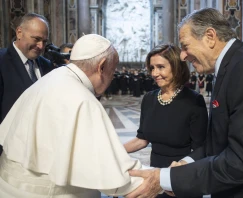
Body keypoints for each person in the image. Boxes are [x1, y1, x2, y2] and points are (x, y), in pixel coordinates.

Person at [126, 8, 243, 198]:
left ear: (210, 36)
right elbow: (217, 140)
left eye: (185, 45)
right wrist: (186, 163)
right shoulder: (230, 67)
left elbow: (241, 160)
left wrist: (166, 179)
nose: (182, 56)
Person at [0, 34, 145, 197]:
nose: (113, 76)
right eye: (113, 70)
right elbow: (115, 177)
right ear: (102, 67)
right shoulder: (82, 99)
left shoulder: (49, 79)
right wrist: (160, 180)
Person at [124, 43, 208, 198]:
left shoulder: (194, 101)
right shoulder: (149, 98)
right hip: (154, 175)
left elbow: (201, 148)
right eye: (152, 68)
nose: (155, 73)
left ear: (176, 67)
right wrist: (116, 151)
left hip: (181, 178)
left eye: (161, 67)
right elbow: (142, 139)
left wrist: (182, 166)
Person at [0, 13, 54, 156]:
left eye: (44, 41)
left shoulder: (46, 65)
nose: (41, 46)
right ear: (19, 32)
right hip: (9, 152)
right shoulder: (1, 61)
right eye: (36, 39)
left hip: (41, 151)